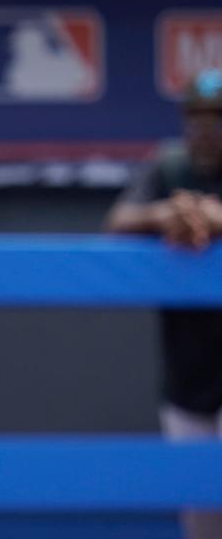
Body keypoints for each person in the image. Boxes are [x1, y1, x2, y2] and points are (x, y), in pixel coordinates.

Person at [106, 67, 222, 539]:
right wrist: (167, 214)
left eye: (216, 118)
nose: (205, 128)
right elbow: (117, 222)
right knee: (200, 516)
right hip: (188, 371)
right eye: (196, 116)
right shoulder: (171, 167)